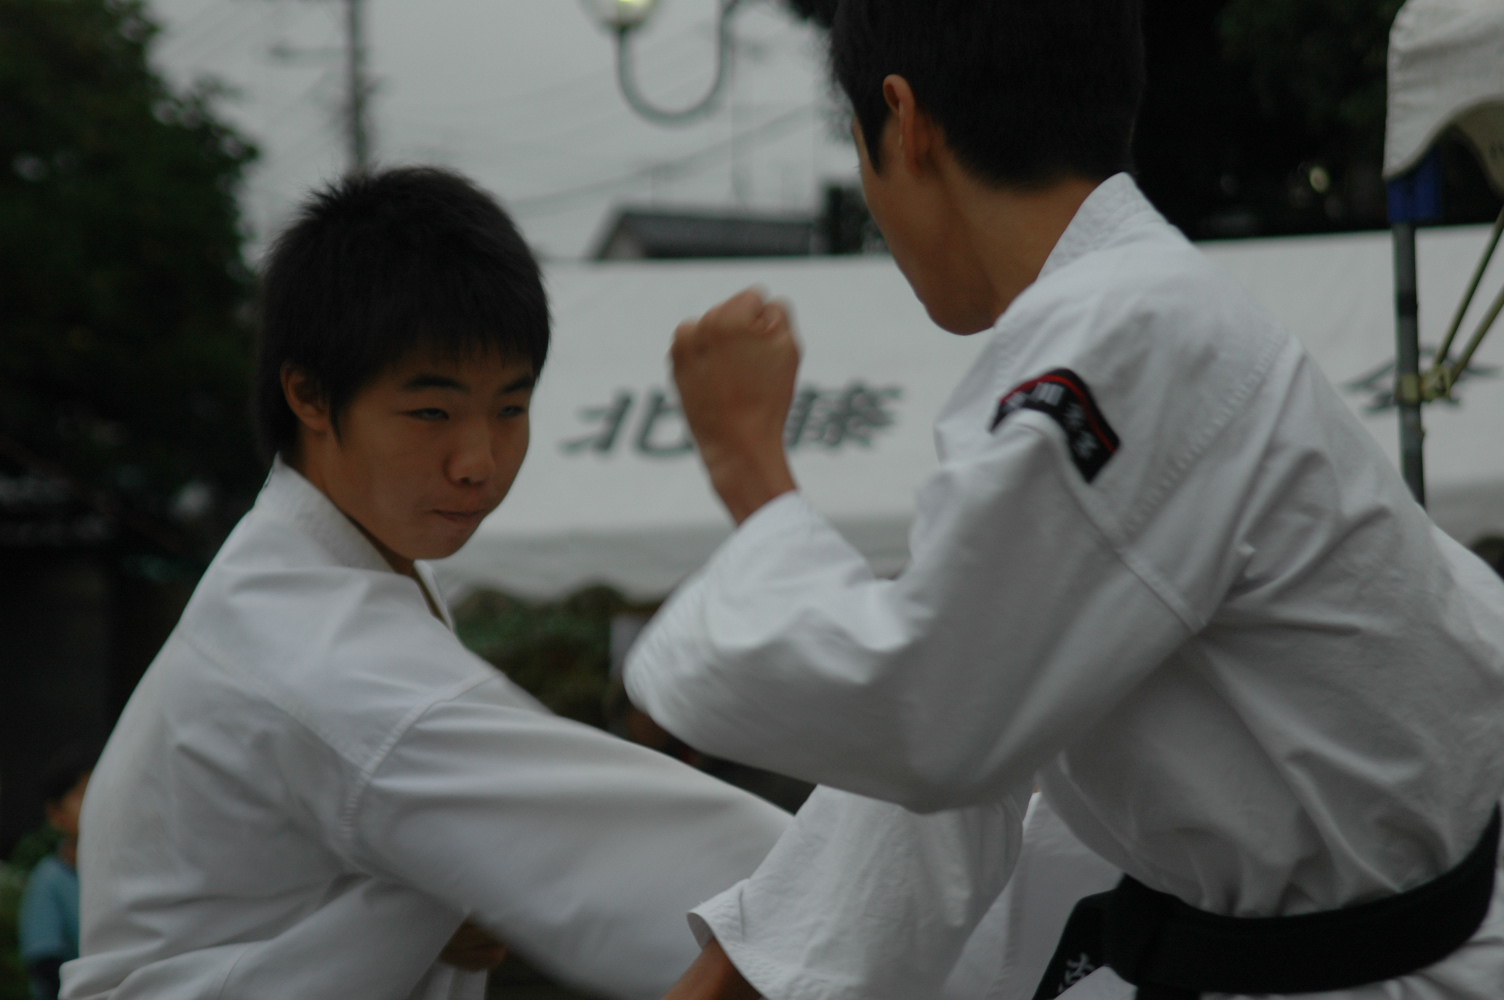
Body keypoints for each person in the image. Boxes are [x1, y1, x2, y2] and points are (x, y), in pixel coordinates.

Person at [624, 1, 1504, 997]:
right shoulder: (1138, 316)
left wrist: (748, 466)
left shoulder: (1126, 332)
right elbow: (975, 692)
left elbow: (935, 711)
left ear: (903, 121)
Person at [64, 166, 790, 1000]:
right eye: (431, 413)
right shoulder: (323, 652)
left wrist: (443, 902)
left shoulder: (314, 577)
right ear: (309, 394)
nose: (478, 461)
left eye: (510, 409)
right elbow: (681, 870)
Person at [19, 747, 95, 1000]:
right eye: (84, 794)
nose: (97, 802)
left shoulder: (128, 869)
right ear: (55, 813)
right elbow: (46, 963)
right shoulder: (50, 880)